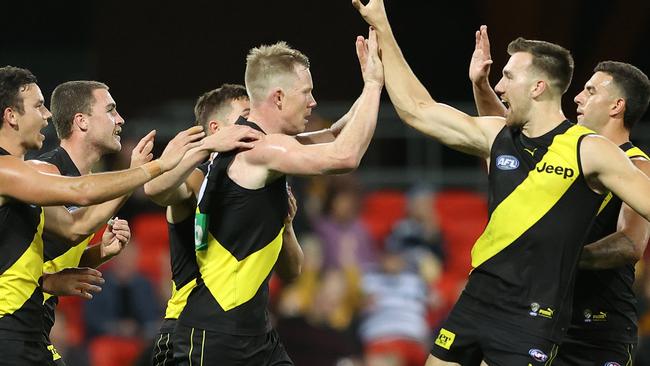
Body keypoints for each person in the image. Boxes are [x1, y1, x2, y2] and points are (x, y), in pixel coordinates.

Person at [353, 1, 650, 364]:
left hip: (532, 320)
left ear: (538, 86)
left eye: (509, 76)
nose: (500, 84)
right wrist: (383, 26)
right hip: (475, 301)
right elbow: (418, 109)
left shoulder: (591, 151)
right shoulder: (498, 135)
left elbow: (634, 235)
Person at [171, 31, 384, 365]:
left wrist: (373, 83)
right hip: (217, 334)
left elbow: (335, 135)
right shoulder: (263, 148)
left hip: (253, 333)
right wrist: (373, 86)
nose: (314, 102)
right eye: (307, 93)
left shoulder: (256, 142)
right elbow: (345, 156)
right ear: (279, 98)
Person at [469, 26, 650, 365]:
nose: (578, 97)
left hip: (598, 329)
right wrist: (481, 85)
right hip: (542, 318)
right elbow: (504, 135)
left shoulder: (637, 165)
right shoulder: (566, 149)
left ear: (617, 106)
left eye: (590, 90)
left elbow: (630, 244)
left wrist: (557, 257)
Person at [0, 65, 203, 366]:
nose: (47, 115)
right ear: (11, 116)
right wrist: (155, 168)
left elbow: (74, 227)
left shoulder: (21, 178)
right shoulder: (9, 171)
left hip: (29, 331)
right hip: (9, 333)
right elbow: (81, 192)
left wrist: (94, 255)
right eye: (38, 106)